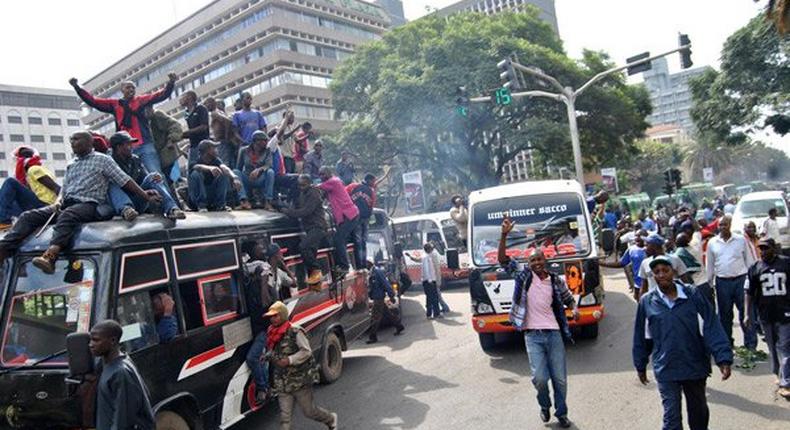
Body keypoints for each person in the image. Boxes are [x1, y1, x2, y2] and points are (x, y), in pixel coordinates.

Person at [0, 131, 160, 273]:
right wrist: (58, 201)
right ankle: (4, 248)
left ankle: (50, 256)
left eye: (76, 139)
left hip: (89, 204)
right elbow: (64, 188)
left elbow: (125, 180)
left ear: (89, 142)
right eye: (71, 140)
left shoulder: (103, 160)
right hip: (66, 203)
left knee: (68, 216)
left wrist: (144, 195)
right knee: (29, 216)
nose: (72, 143)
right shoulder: (71, 164)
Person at [633, 256, 733, 430]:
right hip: (666, 367)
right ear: (653, 276)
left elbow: (711, 325)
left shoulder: (692, 294)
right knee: (671, 417)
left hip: (693, 364)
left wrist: (723, 357)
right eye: (657, 272)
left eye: (666, 270)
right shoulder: (647, 302)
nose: (661, 275)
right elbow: (642, 336)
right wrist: (640, 365)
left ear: (674, 272)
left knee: (698, 414)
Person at [498, 217, 579, 428]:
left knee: (560, 379)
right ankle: (545, 406)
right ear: (529, 263)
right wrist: (504, 235)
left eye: (539, 259)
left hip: (553, 334)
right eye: (533, 260)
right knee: (540, 379)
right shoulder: (523, 277)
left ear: (545, 261)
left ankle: (561, 413)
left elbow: (568, 298)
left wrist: (575, 309)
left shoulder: (553, 280)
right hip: (532, 336)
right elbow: (503, 260)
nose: (536, 263)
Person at [69, 74, 176, 174]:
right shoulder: (115, 104)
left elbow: (160, 95)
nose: (131, 90)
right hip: (125, 148)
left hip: (145, 145)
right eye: (128, 87)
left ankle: (164, 194)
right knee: (130, 177)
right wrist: (77, 87)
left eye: (133, 88)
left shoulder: (141, 100)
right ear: (122, 90)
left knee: (155, 173)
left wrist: (171, 83)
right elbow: (93, 101)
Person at [264, 301, 338, 430]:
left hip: (300, 380)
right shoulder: (272, 333)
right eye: (271, 316)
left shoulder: (295, 331)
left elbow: (306, 351)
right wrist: (266, 356)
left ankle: (331, 419)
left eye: (276, 315)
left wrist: (290, 360)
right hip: (282, 382)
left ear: (283, 314)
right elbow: (274, 351)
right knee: (285, 418)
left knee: (309, 411)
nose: (272, 319)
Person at [89, 320, 156, 430]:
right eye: (90, 340)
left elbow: (123, 420)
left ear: (113, 341)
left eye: (96, 340)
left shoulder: (120, 372)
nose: (91, 344)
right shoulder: (109, 365)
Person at [745, 238, 790, 399]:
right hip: (765, 315)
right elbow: (749, 293)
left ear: (774, 249)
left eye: (766, 248)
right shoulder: (755, 268)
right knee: (772, 347)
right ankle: (777, 372)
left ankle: (786, 382)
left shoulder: (785, 263)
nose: (763, 252)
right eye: (761, 249)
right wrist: (747, 314)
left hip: (785, 313)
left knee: (785, 347)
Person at [706, 214, 758, 350]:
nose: (722, 227)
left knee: (746, 313)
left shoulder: (741, 240)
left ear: (730, 225)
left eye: (725, 225)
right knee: (725, 315)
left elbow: (750, 262)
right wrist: (709, 284)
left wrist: (751, 281)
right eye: (720, 225)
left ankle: (750, 344)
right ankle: (727, 344)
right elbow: (710, 265)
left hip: (741, 280)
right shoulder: (712, 243)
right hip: (722, 282)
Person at [107, 132, 185, 221]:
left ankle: (172, 209)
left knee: (153, 177)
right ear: (118, 147)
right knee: (112, 184)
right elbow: (123, 182)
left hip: (139, 199)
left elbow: (146, 178)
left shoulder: (135, 159)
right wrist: (144, 194)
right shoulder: (109, 161)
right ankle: (126, 210)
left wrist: (153, 182)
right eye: (128, 144)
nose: (131, 147)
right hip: (118, 203)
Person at [280, 175, 328, 285]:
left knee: (304, 247)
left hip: (318, 227)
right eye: (299, 185)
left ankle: (318, 272)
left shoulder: (314, 194)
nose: (301, 187)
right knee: (311, 253)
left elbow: (306, 211)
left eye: (303, 185)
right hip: (309, 228)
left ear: (309, 183)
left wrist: (288, 212)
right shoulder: (302, 193)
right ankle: (316, 284)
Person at [0, 146, 60, 230]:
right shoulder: (28, 174)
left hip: (44, 205)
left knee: (9, 182)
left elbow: (56, 188)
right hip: (37, 204)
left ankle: (4, 221)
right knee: (4, 198)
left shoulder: (33, 169)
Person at [317, 167, 360, 274]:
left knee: (338, 240)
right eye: (320, 175)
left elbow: (316, 187)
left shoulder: (333, 182)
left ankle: (344, 266)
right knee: (343, 240)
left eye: (323, 174)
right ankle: (344, 264)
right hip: (349, 215)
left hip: (349, 215)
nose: (321, 176)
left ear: (329, 173)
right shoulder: (334, 183)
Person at [346, 169, 391, 267]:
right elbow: (371, 205)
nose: (374, 183)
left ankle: (361, 264)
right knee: (360, 241)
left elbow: (371, 205)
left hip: (360, 218)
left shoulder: (358, 187)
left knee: (359, 241)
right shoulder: (357, 187)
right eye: (373, 181)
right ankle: (360, 264)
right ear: (369, 180)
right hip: (359, 218)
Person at [188, 139, 240, 212]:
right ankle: (201, 205)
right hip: (198, 196)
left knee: (223, 174)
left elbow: (224, 167)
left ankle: (220, 205)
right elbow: (197, 167)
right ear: (207, 150)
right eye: (214, 148)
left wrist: (234, 177)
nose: (217, 150)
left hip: (210, 194)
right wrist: (210, 168)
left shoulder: (215, 160)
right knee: (196, 174)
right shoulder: (195, 160)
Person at [638, 233, 691, 300]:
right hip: (656, 301)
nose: (644, 248)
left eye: (647, 245)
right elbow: (644, 286)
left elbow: (685, 280)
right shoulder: (645, 263)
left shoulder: (674, 259)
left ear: (654, 246)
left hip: (676, 298)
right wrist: (641, 303)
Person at [600, 230, 647, 300]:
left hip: (652, 285)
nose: (636, 238)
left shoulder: (651, 249)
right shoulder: (631, 249)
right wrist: (602, 263)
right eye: (636, 236)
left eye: (639, 236)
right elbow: (622, 263)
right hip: (638, 285)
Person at [366, 260, 404, 344]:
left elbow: (385, 284)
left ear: (370, 263)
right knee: (388, 313)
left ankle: (373, 336)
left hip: (378, 297)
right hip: (376, 297)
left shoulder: (377, 272)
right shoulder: (371, 272)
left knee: (375, 317)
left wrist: (391, 295)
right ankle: (399, 326)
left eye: (366, 263)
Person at [675, 227, 714, 305]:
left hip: (693, 285)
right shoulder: (696, 246)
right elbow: (697, 232)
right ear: (689, 240)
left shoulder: (677, 255)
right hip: (704, 282)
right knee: (710, 309)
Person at [144, 106, 183, 184]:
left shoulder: (157, 115)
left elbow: (175, 125)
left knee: (170, 181)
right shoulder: (146, 122)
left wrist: (171, 139)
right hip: (159, 158)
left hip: (166, 155)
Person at [405, 243, 444, 319]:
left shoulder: (427, 256)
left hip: (430, 280)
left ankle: (433, 313)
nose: (433, 249)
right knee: (432, 298)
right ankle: (433, 314)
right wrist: (430, 280)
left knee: (431, 297)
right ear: (429, 249)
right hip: (429, 281)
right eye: (431, 248)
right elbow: (426, 270)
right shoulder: (426, 257)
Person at [205, 96, 239, 170]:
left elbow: (228, 121)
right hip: (224, 141)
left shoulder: (214, 113)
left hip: (222, 141)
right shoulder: (220, 112)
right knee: (231, 163)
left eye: (206, 104)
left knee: (225, 164)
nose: (205, 107)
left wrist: (226, 136)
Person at [180, 90, 210, 168]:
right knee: (191, 170)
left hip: (203, 146)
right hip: (193, 146)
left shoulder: (201, 108)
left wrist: (187, 132)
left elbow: (204, 127)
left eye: (182, 97)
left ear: (189, 97)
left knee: (205, 168)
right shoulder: (186, 113)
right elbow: (191, 132)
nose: (180, 100)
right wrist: (180, 135)